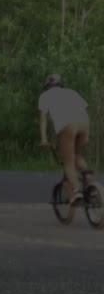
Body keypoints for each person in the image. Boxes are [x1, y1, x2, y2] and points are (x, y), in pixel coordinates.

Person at [39, 74, 90, 204]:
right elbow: (85, 109)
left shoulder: (45, 96)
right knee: (78, 156)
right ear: (61, 85)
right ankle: (92, 187)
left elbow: (43, 120)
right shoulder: (72, 92)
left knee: (68, 162)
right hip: (84, 124)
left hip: (68, 126)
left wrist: (44, 139)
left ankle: (77, 191)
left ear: (47, 86)